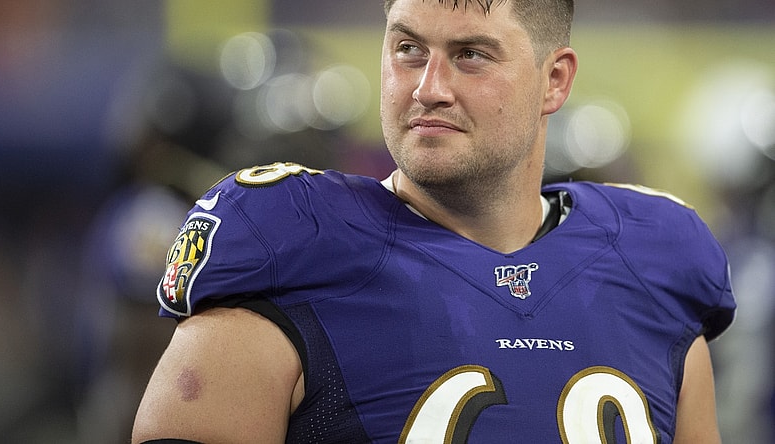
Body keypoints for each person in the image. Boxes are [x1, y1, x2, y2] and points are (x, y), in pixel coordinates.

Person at [131, 0, 736, 442]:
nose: (428, 88)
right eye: (408, 49)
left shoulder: (656, 261)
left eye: (471, 55)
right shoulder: (287, 240)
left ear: (555, 80)